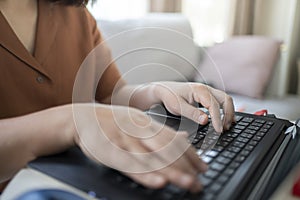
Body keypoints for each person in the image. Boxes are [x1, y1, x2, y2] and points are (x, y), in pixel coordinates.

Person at [0, 0, 235, 194]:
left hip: (84, 184)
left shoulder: (75, 13)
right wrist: (73, 121)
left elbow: (112, 93)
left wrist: (156, 91)